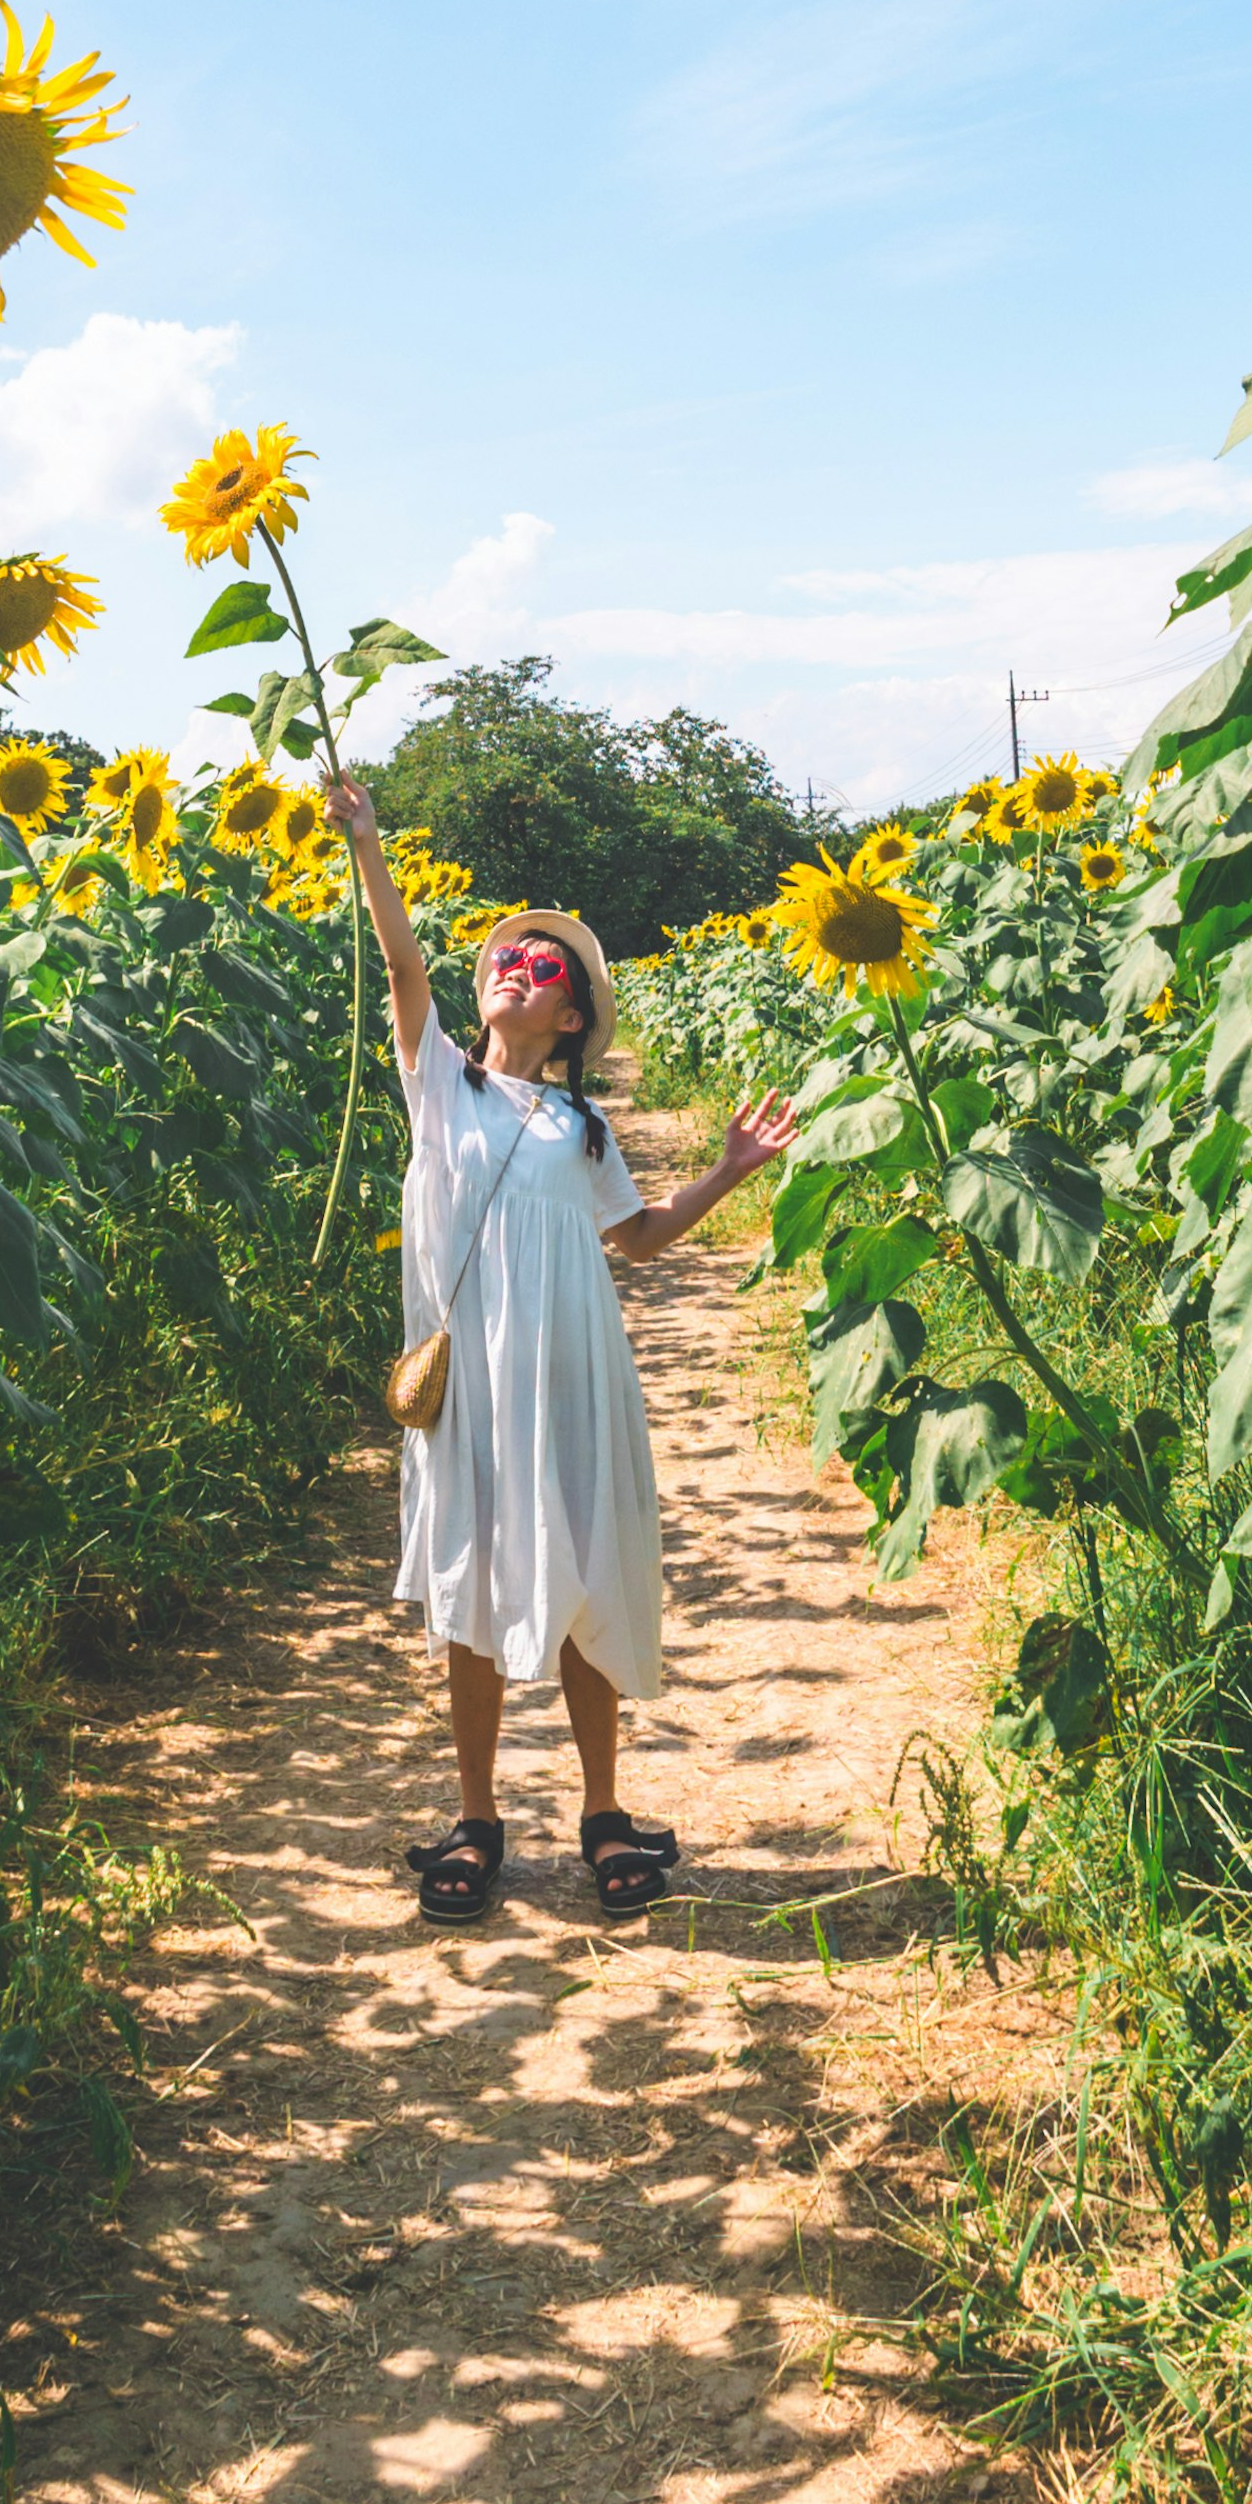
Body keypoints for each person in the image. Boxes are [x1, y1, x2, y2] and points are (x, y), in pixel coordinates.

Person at [326, 776, 795, 1921]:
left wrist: (727, 1174)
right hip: (475, 1385)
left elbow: (634, 1241)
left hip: (575, 1376)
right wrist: (367, 845)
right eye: (508, 958)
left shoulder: (581, 1128)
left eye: (544, 968)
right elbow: (401, 970)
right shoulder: (443, 1087)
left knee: (583, 1570)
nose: (516, 969)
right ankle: (479, 1816)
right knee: (472, 1593)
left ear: (572, 1018)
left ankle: (600, 1812)